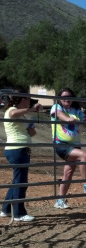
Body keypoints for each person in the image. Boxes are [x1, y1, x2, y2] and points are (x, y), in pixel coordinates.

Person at [51, 87, 86, 209]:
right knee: (84, 155)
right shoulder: (56, 107)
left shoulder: (76, 111)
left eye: (70, 97)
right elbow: (60, 115)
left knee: (68, 173)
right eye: (64, 97)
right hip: (61, 144)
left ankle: (60, 201)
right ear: (60, 98)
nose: (67, 99)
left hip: (75, 145)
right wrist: (68, 119)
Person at [1, 89, 43, 221]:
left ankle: (6, 209)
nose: (30, 101)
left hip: (21, 148)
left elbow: (31, 134)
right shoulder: (11, 110)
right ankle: (19, 213)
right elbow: (13, 113)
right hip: (17, 148)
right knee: (21, 181)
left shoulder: (23, 116)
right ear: (22, 100)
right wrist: (31, 109)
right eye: (28, 99)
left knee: (17, 180)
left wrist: (31, 126)